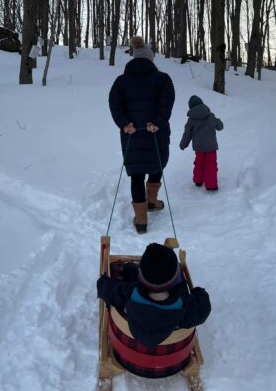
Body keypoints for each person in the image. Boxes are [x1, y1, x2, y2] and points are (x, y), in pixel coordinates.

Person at [109, 36, 175, 233]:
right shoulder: (163, 79)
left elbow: (115, 104)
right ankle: (151, 202)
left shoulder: (121, 81)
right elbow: (167, 103)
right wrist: (157, 122)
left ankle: (141, 219)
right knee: (157, 165)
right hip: (156, 132)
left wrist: (124, 123)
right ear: (150, 59)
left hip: (132, 134)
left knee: (137, 174)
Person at [97, 242, 211, 347]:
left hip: (129, 342)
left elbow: (104, 287)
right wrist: (199, 292)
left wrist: (103, 281)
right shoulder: (185, 307)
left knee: (130, 272)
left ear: (140, 274)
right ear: (176, 279)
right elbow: (204, 308)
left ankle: (131, 270)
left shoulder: (128, 293)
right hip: (169, 352)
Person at [179, 95, 224, 191]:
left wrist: (183, 144)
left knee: (199, 163)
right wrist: (218, 121)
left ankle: (198, 181)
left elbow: (187, 134)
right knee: (211, 164)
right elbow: (220, 126)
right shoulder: (210, 116)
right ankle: (211, 185)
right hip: (211, 147)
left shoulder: (191, 120)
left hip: (198, 147)